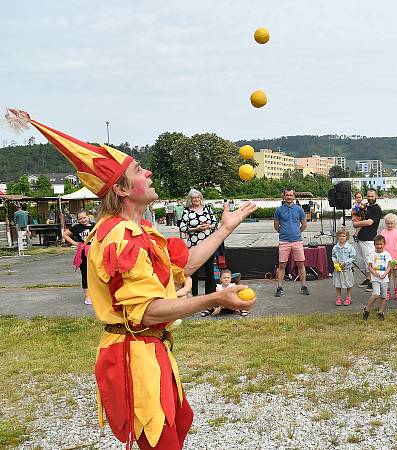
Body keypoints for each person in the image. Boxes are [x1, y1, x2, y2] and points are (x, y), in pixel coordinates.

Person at [8, 108, 257, 450]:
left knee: (180, 423)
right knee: (160, 442)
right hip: (133, 354)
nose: (149, 171)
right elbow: (146, 312)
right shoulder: (119, 238)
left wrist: (223, 229)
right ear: (123, 190)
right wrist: (217, 298)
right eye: (139, 170)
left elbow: (182, 267)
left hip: (151, 349)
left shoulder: (142, 231)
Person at [180, 189, 218, 296]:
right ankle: (194, 296)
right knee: (194, 273)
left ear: (201, 198)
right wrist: (196, 228)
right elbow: (182, 227)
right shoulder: (187, 211)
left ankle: (210, 296)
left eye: (198, 197)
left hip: (208, 245)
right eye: (194, 198)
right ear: (190, 200)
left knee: (209, 271)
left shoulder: (208, 209)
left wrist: (208, 226)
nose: (196, 199)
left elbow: (215, 223)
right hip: (194, 246)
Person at [273, 188, 310, 297]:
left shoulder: (299, 210)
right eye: (287, 195)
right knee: (282, 265)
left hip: (297, 241)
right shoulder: (278, 210)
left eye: (291, 195)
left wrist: (296, 233)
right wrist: (284, 233)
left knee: (301, 264)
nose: (289, 197)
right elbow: (276, 226)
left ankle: (303, 286)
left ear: (294, 196)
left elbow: (304, 225)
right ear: (284, 197)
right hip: (284, 241)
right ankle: (279, 287)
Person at [63, 210, 94, 305]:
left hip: (95, 252)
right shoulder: (76, 227)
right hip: (83, 252)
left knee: (96, 274)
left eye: (84, 217)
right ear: (77, 220)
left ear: (88, 217)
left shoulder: (95, 226)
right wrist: (75, 243)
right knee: (85, 273)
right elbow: (65, 234)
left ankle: (97, 294)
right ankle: (88, 296)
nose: (83, 220)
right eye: (80, 219)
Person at [353, 189, 382, 289]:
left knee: (370, 261)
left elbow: (370, 222)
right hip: (360, 238)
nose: (370, 198)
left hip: (369, 239)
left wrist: (356, 224)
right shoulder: (365, 207)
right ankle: (368, 278)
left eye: (372, 196)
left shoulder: (376, 209)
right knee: (362, 261)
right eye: (368, 196)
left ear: (376, 196)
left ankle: (374, 283)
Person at [362, 235, 392, 321]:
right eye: (377, 244)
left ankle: (381, 312)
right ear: (374, 245)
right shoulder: (372, 255)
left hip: (384, 279)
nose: (379, 246)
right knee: (376, 294)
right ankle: (367, 309)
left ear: (384, 244)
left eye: (381, 244)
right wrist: (374, 273)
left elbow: (389, 266)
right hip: (375, 279)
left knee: (383, 296)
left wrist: (385, 274)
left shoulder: (387, 254)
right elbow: (369, 267)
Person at [380, 213, 397, 301]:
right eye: (388, 223)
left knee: (396, 275)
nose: (389, 225)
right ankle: (387, 292)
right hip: (386, 257)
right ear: (385, 223)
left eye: (391, 223)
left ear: (395, 223)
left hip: (395, 256)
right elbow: (381, 245)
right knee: (387, 275)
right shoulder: (383, 232)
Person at [331, 228, 356, 306]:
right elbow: (333, 256)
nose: (342, 237)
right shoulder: (335, 247)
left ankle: (348, 297)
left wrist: (346, 262)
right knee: (338, 284)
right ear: (337, 237)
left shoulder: (350, 247)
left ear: (347, 237)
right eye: (340, 236)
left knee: (349, 283)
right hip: (338, 270)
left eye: (343, 236)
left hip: (347, 269)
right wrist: (335, 261)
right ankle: (338, 298)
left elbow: (353, 257)